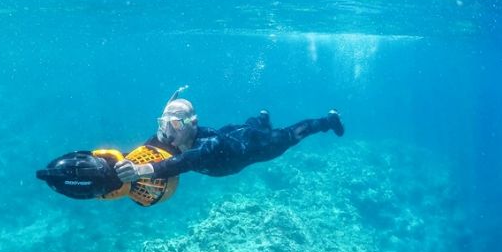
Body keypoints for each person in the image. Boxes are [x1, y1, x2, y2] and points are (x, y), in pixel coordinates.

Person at [114, 86, 344, 182]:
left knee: (289, 136)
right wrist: (126, 161)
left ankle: (328, 121)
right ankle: (262, 118)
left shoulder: (207, 145)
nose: (165, 130)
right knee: (248, 124)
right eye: (163, 123)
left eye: (173, 123)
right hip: (232, 134)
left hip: (253, 148)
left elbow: (185, 162)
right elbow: (149, 149)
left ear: (190, 124)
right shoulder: (174, 136)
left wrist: (142, 171)